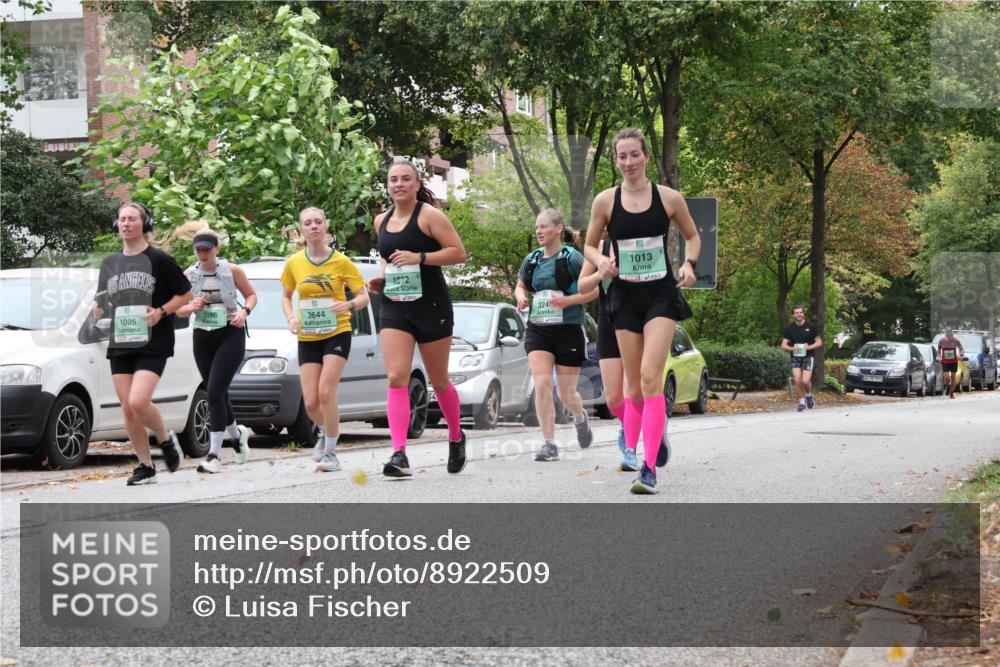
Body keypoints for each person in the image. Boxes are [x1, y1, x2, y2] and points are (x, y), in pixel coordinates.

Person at [584, 128, 700, 495]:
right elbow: (588, 245)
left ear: (646, 156)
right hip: (624, 297)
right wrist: (601, 261)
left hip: (660, 295)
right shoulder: (605, 201)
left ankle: (648, 469)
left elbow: (693, 236)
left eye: (635, 154)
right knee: (633, 389)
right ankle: (656, 426)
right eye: (622, 156)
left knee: (651, 377)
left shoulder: (669, 198)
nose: (629, 161)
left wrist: (689, 264)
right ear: (615, 160)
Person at [367, 157, 468, 478]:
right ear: (387, 185)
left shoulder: (429, 216)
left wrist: (420, 256)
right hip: (395, 305)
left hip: (431, 306)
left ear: (416, 184)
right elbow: (388, 260)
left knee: (439, 381)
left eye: (405, 179)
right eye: (393, 179)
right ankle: (399, 453)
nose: (399, 184)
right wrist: (381, 277)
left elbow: (458, 253)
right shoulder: (380, 220)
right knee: (396, 376)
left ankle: (456, 436)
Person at [95, 202, 193, 486]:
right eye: (122, 219)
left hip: (153, 340)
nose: (126, 224)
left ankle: (165, 438)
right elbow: (103, 299)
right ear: (116, 225)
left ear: (145, 224)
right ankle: (145, 466)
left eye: (132, 219)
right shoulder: (110, 263)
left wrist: (161, 311)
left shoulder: (159, 260)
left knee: (138, 401)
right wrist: (100, 308)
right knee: (127, 408)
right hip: (121, 340)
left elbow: (185, 295)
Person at [281, 207, 369, 472]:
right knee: (310, 402)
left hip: (337, 331)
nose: (314, 226)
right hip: (308, 335)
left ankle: (331, 452)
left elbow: (363, 297)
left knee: (326, 392)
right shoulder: (294, 263)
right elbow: (286, 296)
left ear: (325, 226)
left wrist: (349, 305)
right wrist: (291, 318)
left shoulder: (341, 261)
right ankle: (326, 430)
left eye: (318, 221)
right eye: (308, 223)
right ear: (302, 229)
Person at [577, 229, 672, 472]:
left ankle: (631, 451)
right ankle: (643, 422)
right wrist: (601, 272)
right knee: (613, 399)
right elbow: (582, 286)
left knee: (633, 387)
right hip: (608, 319)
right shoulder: (598, 247)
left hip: (639, 318)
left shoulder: (642, 241)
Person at [515, 208, 600, 462]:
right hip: (539, 329)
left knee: (566, 393)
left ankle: (579, 417)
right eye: (536, 227)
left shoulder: (571, 257)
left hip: (568, 329)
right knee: (542, 384)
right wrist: (521, 296)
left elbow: (594, 290)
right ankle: (549, 443)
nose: (538, 231)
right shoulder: (532, 259)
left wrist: (568, 301)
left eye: (544, 226)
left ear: (559, 228)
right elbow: (521, 285)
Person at [174, 222, 257, 474]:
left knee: (214, 392)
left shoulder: (232, 270)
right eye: (198, 250)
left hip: (230, 333)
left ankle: (214, 455)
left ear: (217, 249)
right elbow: (179, 309)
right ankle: (238, 436)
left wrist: (244, 311)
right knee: (216, 392)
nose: (203, 254)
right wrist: (191, 307)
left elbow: (252, 295)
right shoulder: (189, 275)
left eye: (207, 250)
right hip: (203, 335)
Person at [780, 305, 823, 411]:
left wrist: (809, 347)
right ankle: (801, 402)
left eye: (800, 312)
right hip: (795, 357)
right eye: (796, 313)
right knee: (797, 380)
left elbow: (819, 342)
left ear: (803, 314)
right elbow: (783, 345)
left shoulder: (811, 326)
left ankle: (809, 395)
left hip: (808, 356)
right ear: (793, 315)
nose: (799, 314)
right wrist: (792, 348)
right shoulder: (790, 328)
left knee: (805, 381)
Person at [938, 327, 964, 398]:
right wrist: (939, 357)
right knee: (946, 376)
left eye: (950, 335)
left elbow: (961, 348)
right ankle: (948, 386)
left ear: (952, 334)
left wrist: (961, 354)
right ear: (945, 335)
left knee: (953, 377)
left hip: (953, 361)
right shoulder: (941, 341)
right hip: (945, 361)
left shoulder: (956, 340)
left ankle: (951, 393)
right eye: (948, 335)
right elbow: (939, 350)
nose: (949, 337)